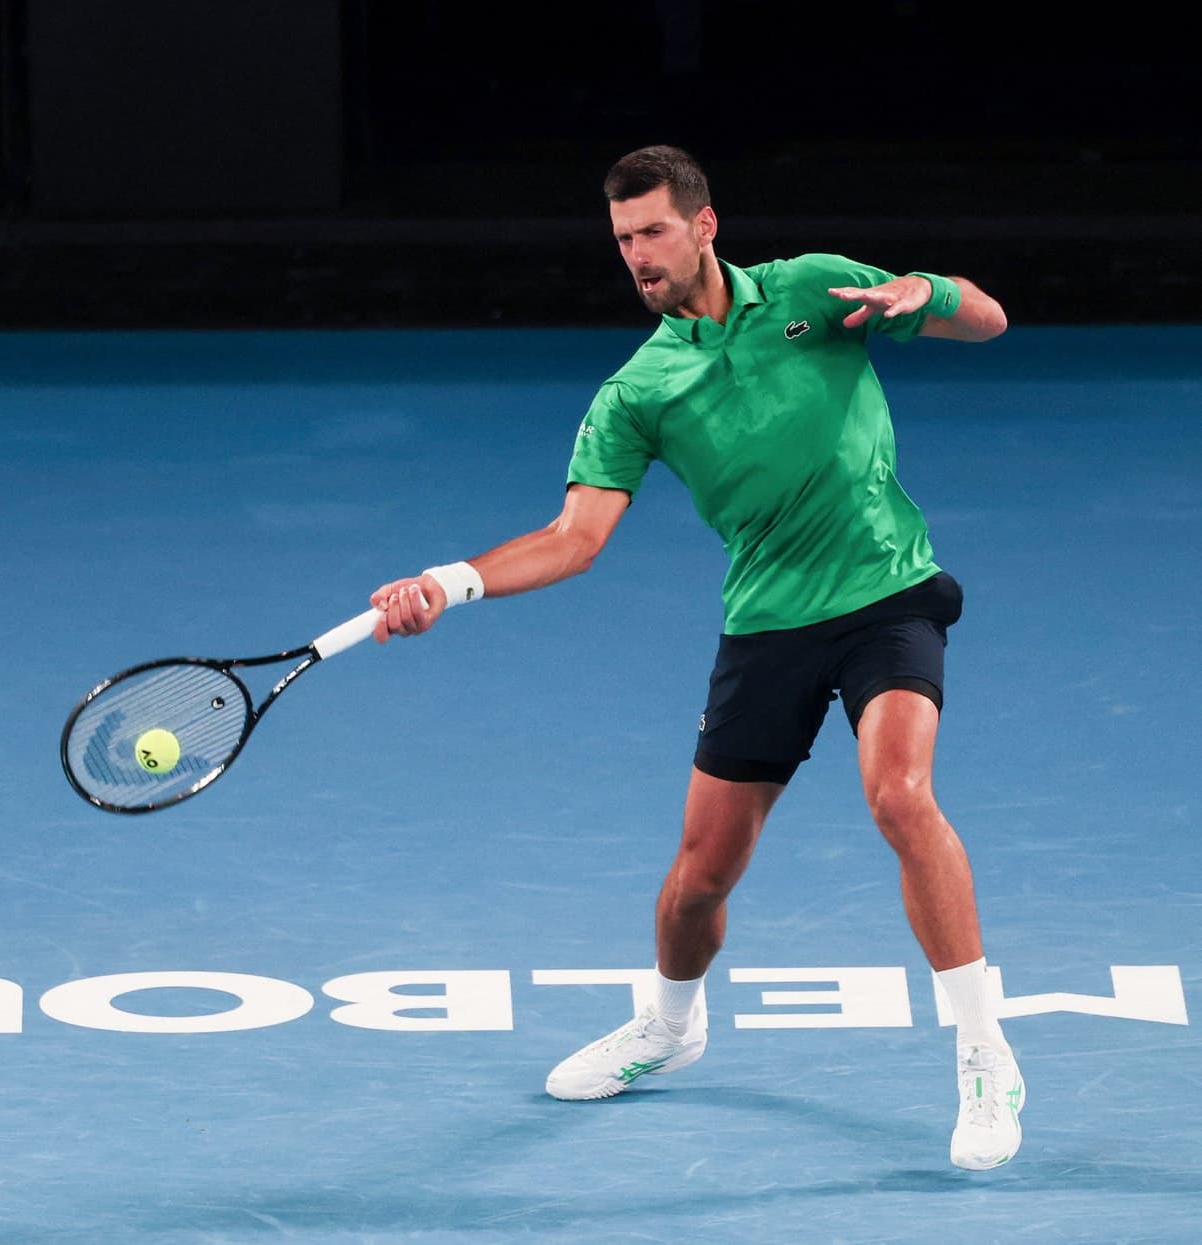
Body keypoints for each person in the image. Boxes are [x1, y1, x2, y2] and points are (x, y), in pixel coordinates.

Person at [370, 145, 1023, 1171]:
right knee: (696, 882)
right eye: (623, 239)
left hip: (886, 594)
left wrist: (924, 293)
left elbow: (985, 319)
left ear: (703, 225)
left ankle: (983, 1049)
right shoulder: (639, 390)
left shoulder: (815, 290)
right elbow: (572, 539)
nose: (637, 255)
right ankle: (670, 1024)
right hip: (766, 626)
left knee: (898, 795)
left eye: (653, 232)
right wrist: (449, 584)